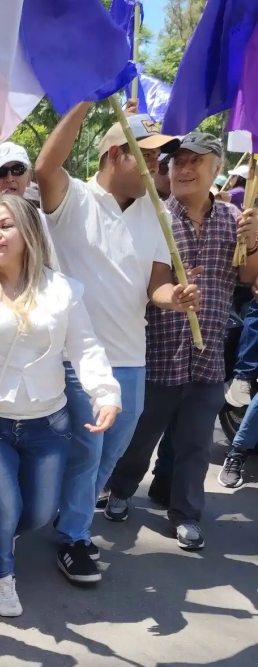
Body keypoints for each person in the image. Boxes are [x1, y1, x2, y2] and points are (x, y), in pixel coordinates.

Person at [0, 194, 121, 616]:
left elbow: (85, 347)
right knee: (6, 504)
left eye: (6, 226)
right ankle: (1, 576)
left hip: (47, 421)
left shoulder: (63, 290)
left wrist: (105, 393)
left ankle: (1, 535)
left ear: (30, 233)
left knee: (37, 512)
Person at [35, 105, 198, 583]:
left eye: (158, 160)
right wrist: (87, 100)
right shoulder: (73, 198)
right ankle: (73, 538)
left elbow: (157, 286)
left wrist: (177, 298)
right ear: (113, 154)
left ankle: (66, 517)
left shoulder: (157, 213)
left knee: (111, 454)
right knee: (87, 453)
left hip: (131, 358)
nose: (157, 169)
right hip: (76, 360)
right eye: (146, 158)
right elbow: (46, 167)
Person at [106, 133, 258, 550]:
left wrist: (255, 239)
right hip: (159, 354)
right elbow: (147, 283)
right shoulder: (154, 217)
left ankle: (186, 514)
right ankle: (120, 490)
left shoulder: (234, 219)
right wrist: (173, 296)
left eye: (195, 161)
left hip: (208, 358)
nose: (184, 169)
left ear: (215, 169)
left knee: (195, 445)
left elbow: (248, 278)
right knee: (140, 437)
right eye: (177, 162)